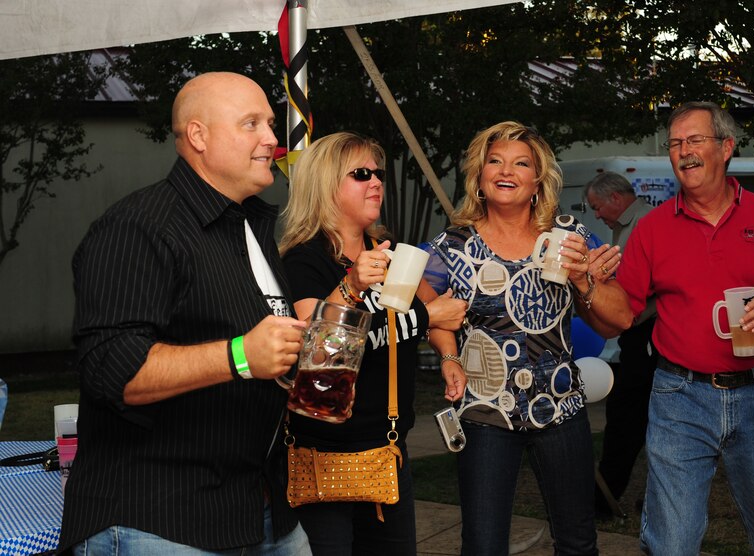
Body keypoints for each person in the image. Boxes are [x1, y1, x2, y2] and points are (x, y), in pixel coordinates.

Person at [60, 72, 311, 554]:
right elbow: (113, 370)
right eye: (251, 124)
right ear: (198, 136)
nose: (271, 139)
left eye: (271, 124)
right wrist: (240, 356)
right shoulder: (137, 227)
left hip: (260, 512)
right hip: (160, 521)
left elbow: (258, 348)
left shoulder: (251, 227)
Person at [616, 101, 754, 555]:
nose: (684, 152)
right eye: (675, 143)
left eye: (695, 140)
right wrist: (587, 287)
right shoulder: (652, 229)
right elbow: (619, 314)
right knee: (671, 544)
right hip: (680, 398)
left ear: (726, 147)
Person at [423, 121, 633, 555]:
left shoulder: (569, 236)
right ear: (479, 177)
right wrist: (448, 356)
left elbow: (619, 322)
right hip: (484, 414)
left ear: (538, 180)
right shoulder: (451, 246)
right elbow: (433, 315)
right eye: (495, 161)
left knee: (577, 543)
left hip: (559, 409)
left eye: (521, 163)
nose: (507, 170)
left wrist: (582, 279)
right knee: (483, 546)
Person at [278, 131, 467, 555]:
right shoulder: (304, 259)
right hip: (323, 453)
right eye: (361, 174)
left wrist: (449, 355)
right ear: (326, 185)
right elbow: (316, 353)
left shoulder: (393, 254)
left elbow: (441, 314)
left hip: (386, 453)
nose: (377, 182)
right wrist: (354, 288)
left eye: (378, 173)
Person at [584, 171, 658, 517]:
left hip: (649, 335)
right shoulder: (625, 227)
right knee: (629, 419)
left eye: (597, 207)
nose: (596, 214)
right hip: (634, 335)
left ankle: (606, 499)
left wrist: (611, 304)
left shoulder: (647, 223)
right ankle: (608, 496)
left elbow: (649, 286)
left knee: (631, 420)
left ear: (615, 198)